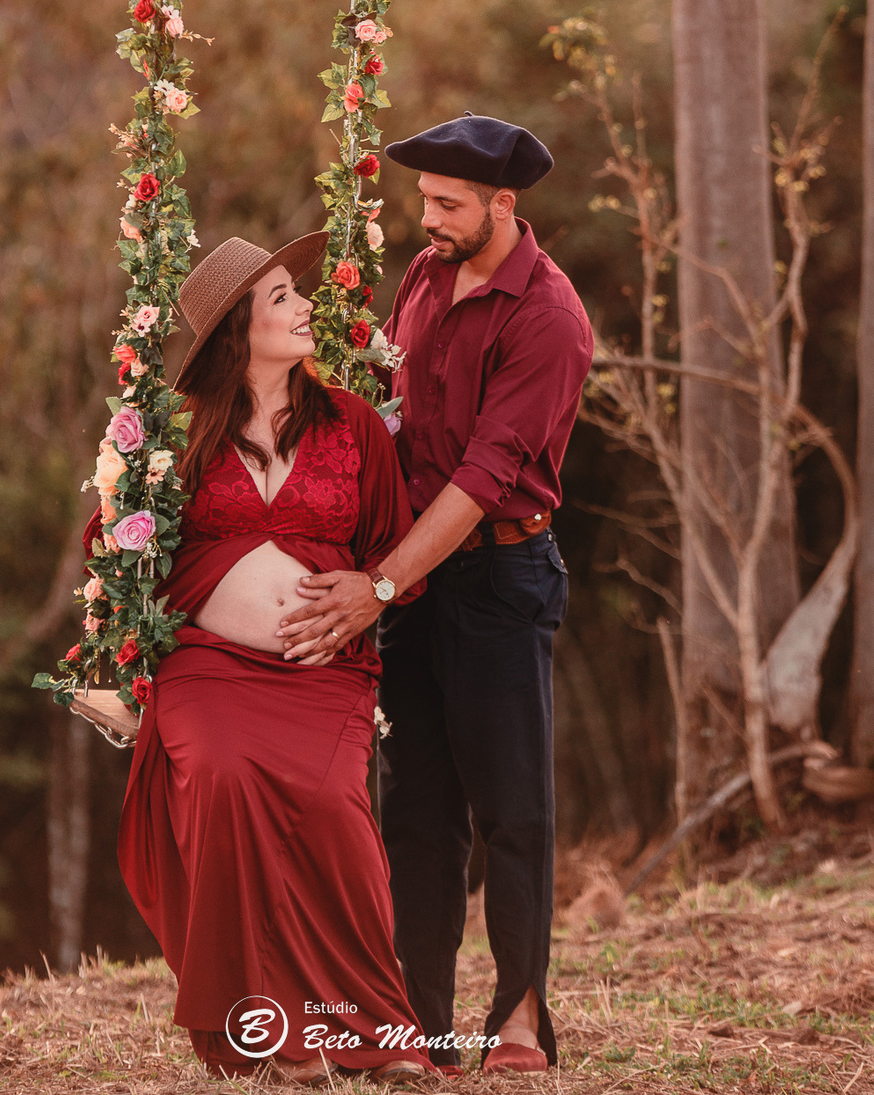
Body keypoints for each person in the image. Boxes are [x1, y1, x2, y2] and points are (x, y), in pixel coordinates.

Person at [278, 114, 593, 1076]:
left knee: (512, 808)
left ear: (504, 203)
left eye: (449, 205)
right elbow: (395, 409)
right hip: (411, 572)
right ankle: (418, 1020)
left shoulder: (548, 316)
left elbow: (480, 479)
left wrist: (376, 585)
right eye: (424, 201)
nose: (430, 219)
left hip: (498, 572)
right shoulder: (423, 274)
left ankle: (521, 1018)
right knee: (416, 809)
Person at [104, 231, 434, 1084]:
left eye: (299, 291)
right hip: (206, 670)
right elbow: (116, 554)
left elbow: (396, 551)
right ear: (235, 332)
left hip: (322, 674)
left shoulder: (354, 425)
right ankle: (263, 1034)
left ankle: (373, 1030)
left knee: (334, 810)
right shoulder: (176, 438)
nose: (304, 306)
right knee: (219, 776)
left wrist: (370, 588)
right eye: (281, 297)